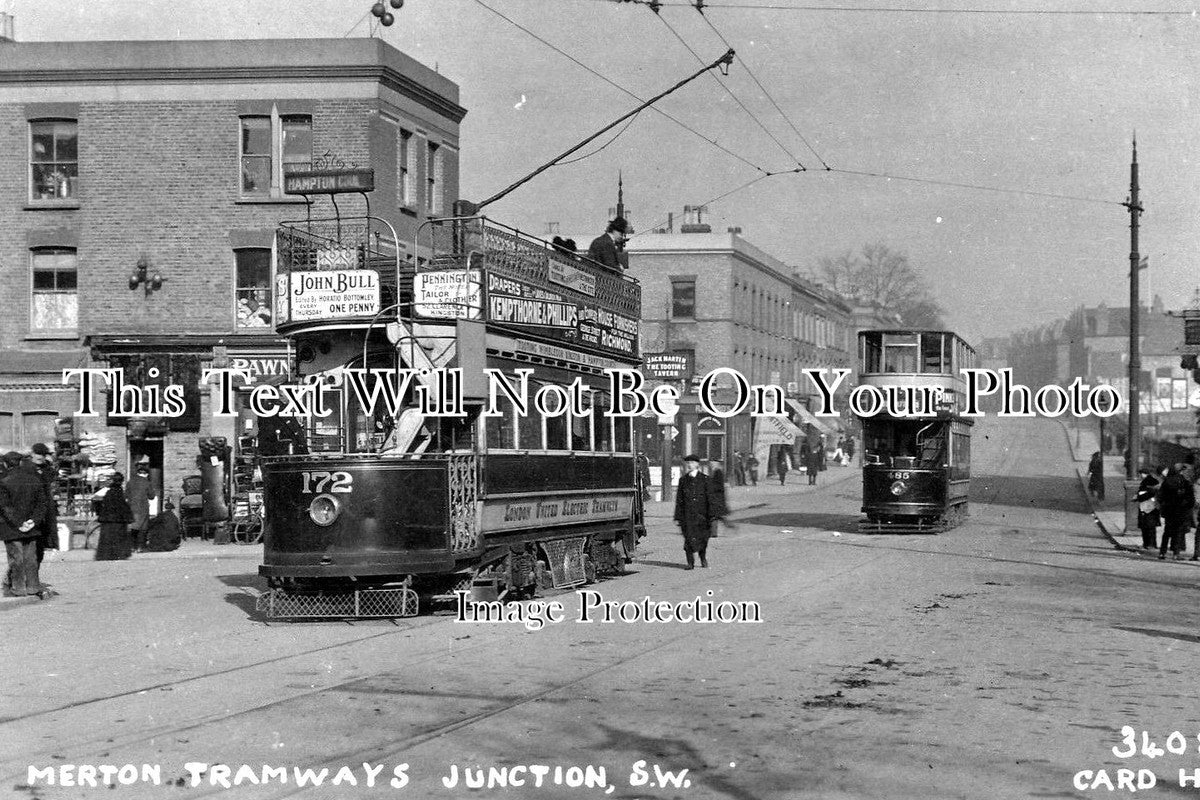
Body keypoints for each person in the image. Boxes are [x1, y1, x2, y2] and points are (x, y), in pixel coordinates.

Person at [1, 451, 49, 598]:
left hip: (12, 527)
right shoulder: (34, 480)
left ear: (5, 464)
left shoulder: (4, 482)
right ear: (21, 463)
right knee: (30, 558)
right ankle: (33, 586)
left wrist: (18, 523)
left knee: (16, 559)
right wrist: (33, 521)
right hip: (31, 526)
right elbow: (42, 504)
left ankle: (18, 588)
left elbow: (5, 507)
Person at [674, 454, 721, 569]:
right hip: (687, 516)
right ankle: (690, 563)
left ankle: (702, 557)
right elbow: (679, 500)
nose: (689, 465)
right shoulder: (683, 480)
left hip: (702, 516)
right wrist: (677, 516)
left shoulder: (705, 479)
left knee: (703, 539)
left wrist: (712, 514)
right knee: (688, 539)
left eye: (692, 463)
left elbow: (711, 498)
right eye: (688, 463)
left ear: (697, 464)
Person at [29, 442, 59, 568]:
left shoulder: (48, 470)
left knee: (40, 550)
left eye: (43, 454)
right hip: (30, 509)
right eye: (38, 454)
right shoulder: (25, 468)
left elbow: (52, 484)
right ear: (32, 454)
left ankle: (33, 576)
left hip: (45, 510)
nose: (40, 457)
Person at [1157, 464, 1194, 561]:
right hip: (1180, 510)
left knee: (1167, 532)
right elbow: (1191, 499)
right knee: (1178, 532)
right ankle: (1176, 554)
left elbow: (1160, 496)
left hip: (1169, 510)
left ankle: (1162, 552)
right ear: (1181, 471)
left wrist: (1165, 505)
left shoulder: (1167, 481)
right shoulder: (1185, 482)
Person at [94, 472, 135, 561]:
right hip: (118, 519)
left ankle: (106, 555)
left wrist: (100, 513)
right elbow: (123, 506)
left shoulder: (107, 491)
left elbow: (97, 501)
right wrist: (129, 516)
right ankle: (117, 554)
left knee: (107, 538)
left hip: (107, 518)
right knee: (118, 538)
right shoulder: (119, 492)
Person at [126, 462, 157, 551]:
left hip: (132, 507)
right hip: (143, 507)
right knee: (143, 528)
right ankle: (140, 547)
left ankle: (132, 547)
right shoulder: (147, 482)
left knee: (133, 527)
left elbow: (126, 494)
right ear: (146, 474)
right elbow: (151, 496)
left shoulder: (130, 482)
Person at [1135, 467, 1160, 551]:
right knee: (1149, 527)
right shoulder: (1152, 481)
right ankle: (1151, 544)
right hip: (1151, 506)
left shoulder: (1148, 481)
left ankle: (1148, 544)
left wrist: (1139, 497)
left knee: (1147, 526)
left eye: (1141, 474)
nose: (1140, 476)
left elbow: (1148, 493)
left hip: (1148, 506)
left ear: (1144, 474)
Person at [706, 459, 728, 537]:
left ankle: (713, 533)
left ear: (716, 464)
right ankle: (714, 532)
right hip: (716, 497)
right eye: (710, 463)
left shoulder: (718, 472)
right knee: (716, 515)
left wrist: (710, 487)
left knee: (713, 515)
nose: (711, 464)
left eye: (712, 463)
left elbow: (719, 485)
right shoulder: (715, 471)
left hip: (717, 497)